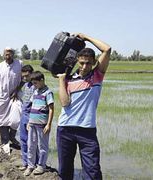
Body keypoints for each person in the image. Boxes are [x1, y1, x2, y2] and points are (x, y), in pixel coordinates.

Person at [56, 33, 111, 179]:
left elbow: (107, 49)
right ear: (77, 62)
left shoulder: (97, 75)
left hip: (87, 130)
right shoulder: (68, 79)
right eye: (81, 63)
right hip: (65, 129)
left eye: (88, 63)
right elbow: (65, 103)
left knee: (92, 170)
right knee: (64, 170)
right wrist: (61, 80)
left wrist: (86, 38)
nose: (84, 66)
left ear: (93, 62)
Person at [24, 71, 54, 176]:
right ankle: (30, 166)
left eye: (36, 83)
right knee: (31, 145)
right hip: (32, 123)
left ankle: (41, 166)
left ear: (42, 80)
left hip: (42, 125)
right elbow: (32, 107)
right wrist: (29, 122)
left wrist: (48, 124)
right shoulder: (35, 92)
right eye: (33, 83)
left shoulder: (48, 92)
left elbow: (51, 109)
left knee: (42, 146)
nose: (34, 85)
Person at [16, 65, 36, 171]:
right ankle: (25, 163)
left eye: (26, 76)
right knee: (23, 140)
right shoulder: (26, 85)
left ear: (31, 74)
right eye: (23, 76)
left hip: (32, 116)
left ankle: (34, 163)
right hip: (24, 115)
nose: (25, 78)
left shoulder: (36, 86)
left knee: (32, 141)